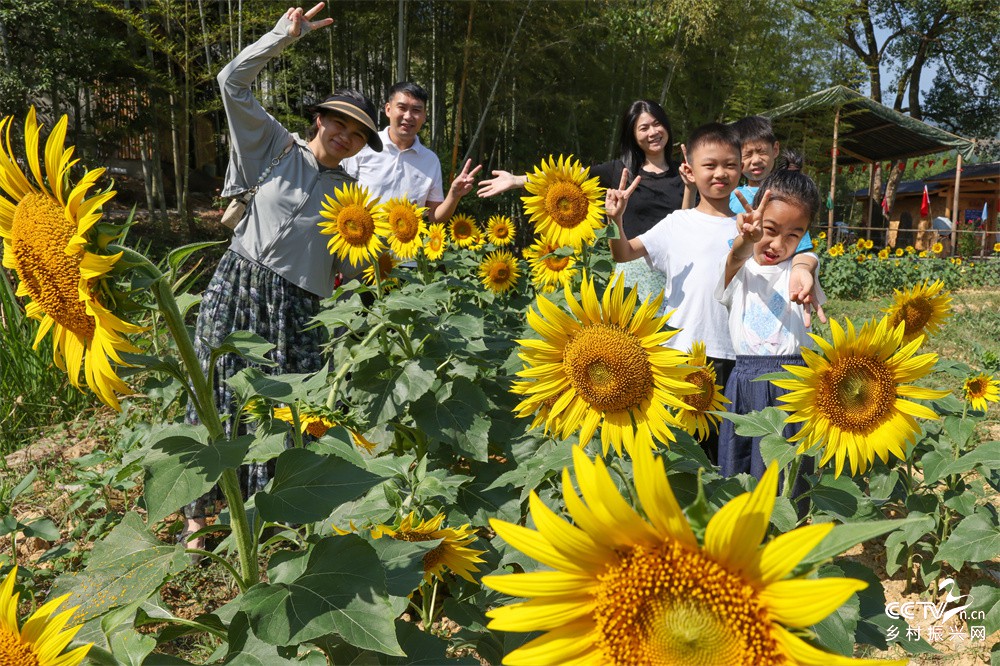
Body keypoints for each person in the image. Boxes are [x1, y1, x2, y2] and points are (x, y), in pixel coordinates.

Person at [182, 2, 380, 551]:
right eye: (339, 122)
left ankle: (267, 524)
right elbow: (231, 83)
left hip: (299, 308)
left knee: (284, 410)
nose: (345, 135)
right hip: (239, 283)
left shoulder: (352, 200)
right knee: (215, 388)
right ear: (320, 119)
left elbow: (352, 268)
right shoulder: (272, 146)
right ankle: (200, 518)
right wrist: (280, 37)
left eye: (358, 133)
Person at [606, 123, 823, 463]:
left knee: (729, 451)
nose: (721, 173)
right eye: (710, 165)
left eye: (730, 164)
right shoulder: (676, 223)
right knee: (681, 451)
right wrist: (615, 221)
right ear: (689, 170)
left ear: (742, 168)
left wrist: (803, 267)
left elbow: (802, 250)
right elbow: (622, 253)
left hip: (737, 358)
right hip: (680, 351)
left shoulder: (757, 224)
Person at [478, 99, 689, 306]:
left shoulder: (685, 174)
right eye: (643, 128)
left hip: (678, 271)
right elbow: (566, 177)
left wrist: (692, 185)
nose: (653, 132)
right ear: (633, 135)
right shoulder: (620, 170)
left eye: (657, 124)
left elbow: (692, 222)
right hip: (634, 274)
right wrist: (517, 180)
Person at [716, 152, 825, 502]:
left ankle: (786, 543)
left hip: (791, 381)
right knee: (739, 473)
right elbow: (734, 257)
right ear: (755, 220)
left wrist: (804, 267)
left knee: (788, 479)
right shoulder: (741, 268)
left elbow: (809, 261)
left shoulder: (799, 268)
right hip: (745, 380)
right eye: (770, 230)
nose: (779, 244)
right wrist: (747, 240)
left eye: (794, 235)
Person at [340, 81, 481, 223]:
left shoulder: (430, 160)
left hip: (408, 244)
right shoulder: (363, 147)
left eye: (416, 110)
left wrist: (454, 195)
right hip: (362, 240)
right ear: (388, 110)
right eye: (402, 108)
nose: (408, 116)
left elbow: (434, 217)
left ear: (425, 116)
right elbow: (341, 198)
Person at [728, 116, 813, 254]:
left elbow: (803, 250)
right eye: (747, 154)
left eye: (762, 152)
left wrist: (802, 268)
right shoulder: (732, 197)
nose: (756, 160)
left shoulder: (790, 194)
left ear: (775, 149)